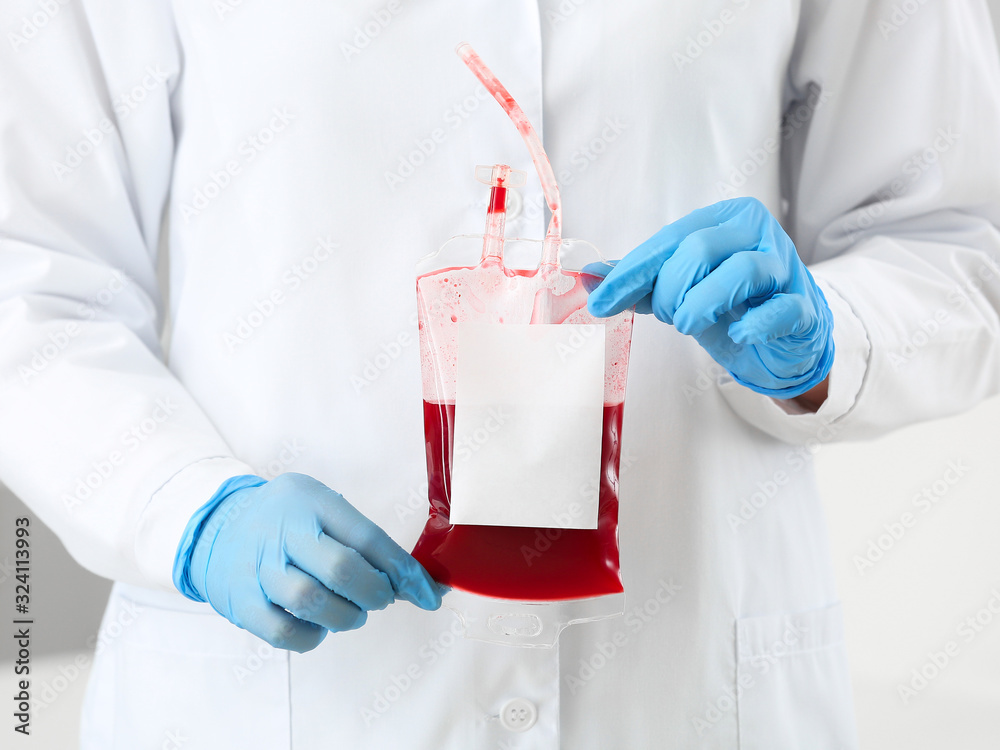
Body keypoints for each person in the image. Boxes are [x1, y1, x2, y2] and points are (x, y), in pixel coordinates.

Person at [2, 1, 999, 747]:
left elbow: (956, 237)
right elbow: (29, 276)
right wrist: (190, 510)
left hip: (679, 681)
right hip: (282, 701)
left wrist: (832, 336)